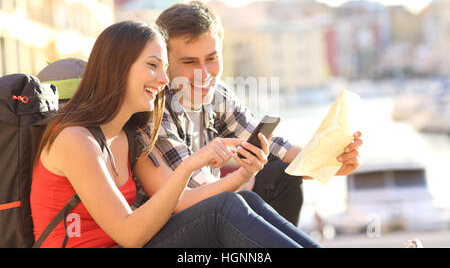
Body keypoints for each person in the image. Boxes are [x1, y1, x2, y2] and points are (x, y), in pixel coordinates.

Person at [30, 20, 322, 248]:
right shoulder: (74, 138)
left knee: (246, 201)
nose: (164, 79)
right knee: (221, 210)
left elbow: (176, 202)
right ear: (118, 68)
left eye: (165, 68)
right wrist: (189, 165)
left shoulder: (128, 135)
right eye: (153, 66)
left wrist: (240, 177)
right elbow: (130, 233)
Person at [133, 1, 363, 226]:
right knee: (243, 198)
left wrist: (332, 162)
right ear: (165, 64)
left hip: (213, 211)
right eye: (190, 62)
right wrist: (244, 181)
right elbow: (195, 193)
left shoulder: (216, 95)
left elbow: (274, 148)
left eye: (212, 59)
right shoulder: (156, 109)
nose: (204, 73)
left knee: (278, 175)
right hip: (170, 231)